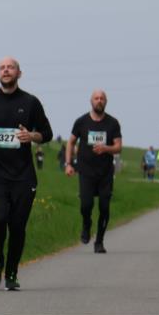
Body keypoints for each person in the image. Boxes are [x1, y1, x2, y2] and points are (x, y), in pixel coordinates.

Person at [0, 57, 53, 290]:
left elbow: (46, 133)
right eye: (2, 67)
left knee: (17, 226)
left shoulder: (31, 103)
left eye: (10, 67)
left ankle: (11, 272)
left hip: (23, 176)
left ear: (19, 73)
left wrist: (32, 136)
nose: (6, 70)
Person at [65, 90, 122, 253]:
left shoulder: (112, 123)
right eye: (96, 98)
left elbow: (118, 147)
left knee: (104, 207)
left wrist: (106, 148)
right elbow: (71, 142)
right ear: (91, 101)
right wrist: (68, 164)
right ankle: (86, 224)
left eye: (102, 99)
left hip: (105, 173)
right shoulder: (81, 122)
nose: (99, 101)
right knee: (86, 205)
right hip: (86, 171)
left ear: (106, 102)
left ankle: (99, 241)